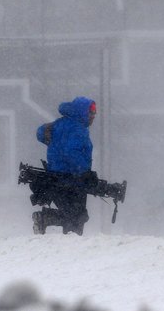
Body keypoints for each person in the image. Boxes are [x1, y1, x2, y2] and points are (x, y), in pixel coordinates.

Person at [31, 96, 97, 235]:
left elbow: (41, 132)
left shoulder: (60, 124)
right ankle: (46, 220)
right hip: (72, 179)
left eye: (94, 113)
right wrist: (85, 172)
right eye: (91, 113)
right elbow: (71, 152)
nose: (93, 116)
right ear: (82, 112)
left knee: (72, 214)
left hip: (54, 177)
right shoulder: (78, 129)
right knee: (77, 216)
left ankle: (46, 219)